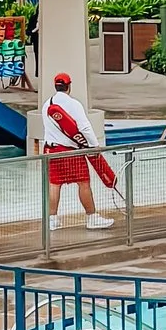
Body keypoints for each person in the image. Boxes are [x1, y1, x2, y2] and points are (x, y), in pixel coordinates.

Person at [41, 71, 118, 228]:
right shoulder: (73, 104)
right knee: (83, 183)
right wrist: (94, 145)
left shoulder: (46, 105)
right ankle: (91, 217)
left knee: (54, 184)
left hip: (50, 150)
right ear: (69, 86)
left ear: (55, 86)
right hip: (71, 151)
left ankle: (52, 220)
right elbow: (84, 127)